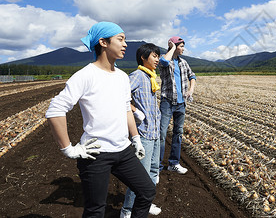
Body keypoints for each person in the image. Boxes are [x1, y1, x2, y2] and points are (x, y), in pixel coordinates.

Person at [45, 22, 155, 218]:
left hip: (123, 151)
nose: (125, 44)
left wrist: (136, 138)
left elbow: (125, 108)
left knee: (147, 191)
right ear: (103, 42)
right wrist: (68, 148)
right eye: (120, 39)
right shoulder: (85, 75)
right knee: (96, 210)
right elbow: (55, 109)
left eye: (125, 40)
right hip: (95, 155)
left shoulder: (122, 77)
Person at [121, 43, 162, 217]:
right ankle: (127, 210)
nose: (157, 60)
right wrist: (135, 111)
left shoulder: (151, 77)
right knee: (140, 177)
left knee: (153, 171)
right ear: (143, 58)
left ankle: (146, 203)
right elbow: (120, 95)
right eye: (154, 56)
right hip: (143, 133)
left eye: (158, 56)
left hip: (155, 133)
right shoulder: (137, 76)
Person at [159, 36, 196, 174]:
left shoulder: (184, 63)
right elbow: (163, 61)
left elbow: (192, 76)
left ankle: (173, 163)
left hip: (181, 104)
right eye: (181, 46)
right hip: (167, 102)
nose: (183, 49)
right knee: (162, 134)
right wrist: (172, 48)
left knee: (178, 133)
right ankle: (156, 167)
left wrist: (191, 90)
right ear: (173, 46)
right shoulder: (165, 59)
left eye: (182, 46)